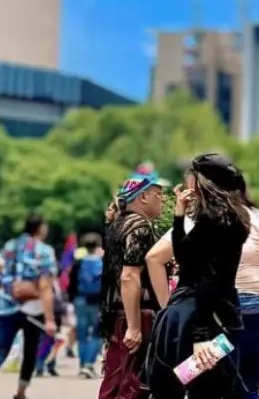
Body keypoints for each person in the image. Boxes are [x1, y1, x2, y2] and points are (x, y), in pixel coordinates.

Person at [148, 173, 259, 399]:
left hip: (210, 312)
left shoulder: (198, 220)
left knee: (195, 377)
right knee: (247, 385)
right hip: (255, 308)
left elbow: (154, 257)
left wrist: (169, 304)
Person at [142, 154, 251, 399]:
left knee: (194, 385)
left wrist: (200, 335)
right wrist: (179, 216)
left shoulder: (219, 221)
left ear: (202, 181)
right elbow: (184, 257)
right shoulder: (219, 217)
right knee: (198, 384)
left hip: (199, 317)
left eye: (190, 175)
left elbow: (207, 278)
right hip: (202, 315)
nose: (186, 180)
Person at [0, 212, 58, 399]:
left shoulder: (10, 246)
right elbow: (45, 287)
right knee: (30, 351)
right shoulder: (44, 251)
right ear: (40, 228)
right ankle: (20, 392)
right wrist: (50, 319)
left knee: (1, 348)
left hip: (7, 305)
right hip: (33, 309)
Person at [100, 167, 166, 399]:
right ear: (143, 196)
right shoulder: (139, 226)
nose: (163, 201)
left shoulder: (117, 224)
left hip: (116, 314)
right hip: (136, 312)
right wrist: (134, 326)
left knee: (115, 382)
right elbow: (129, 276)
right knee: (132, 384)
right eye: (159, 194)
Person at [69, 232, 104, 379]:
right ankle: (89, 364)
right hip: (97, 301)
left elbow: (71, 283)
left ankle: (82, 365)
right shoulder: (102, 262)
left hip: (80, 300)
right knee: (97, 333)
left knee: (82, 334)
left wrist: (72, 299)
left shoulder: (78, 262)